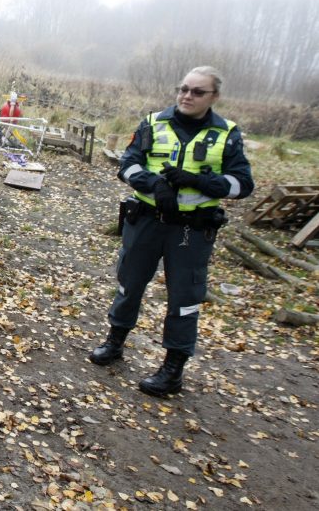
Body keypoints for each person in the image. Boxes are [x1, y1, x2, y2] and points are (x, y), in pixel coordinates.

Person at [89, 66, 254, 397]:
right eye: (183, 89)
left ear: (214, 97)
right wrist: (153, 184)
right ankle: (115, 342)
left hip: (191, 231)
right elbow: (128, 164)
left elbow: (243, 184)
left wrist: (201, 182)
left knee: (184, 299)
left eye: (197, 91)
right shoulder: (153, 124)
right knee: (128, 284)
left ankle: (173, 369)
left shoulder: (226, 134)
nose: (187, 96)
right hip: (147, 221)